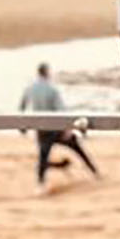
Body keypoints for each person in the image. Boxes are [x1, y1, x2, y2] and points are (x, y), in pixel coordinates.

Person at [18, 63, 99, 195]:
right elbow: (61, 110)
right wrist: (67, 128)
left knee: (43, 156)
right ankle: (94, 171)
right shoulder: (52, 89)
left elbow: (22, 107)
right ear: (47, 72)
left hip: (41, 129)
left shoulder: (30, 88)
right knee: (77, 148)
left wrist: (22, 127)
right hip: (55, 128)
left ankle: (40, 184)